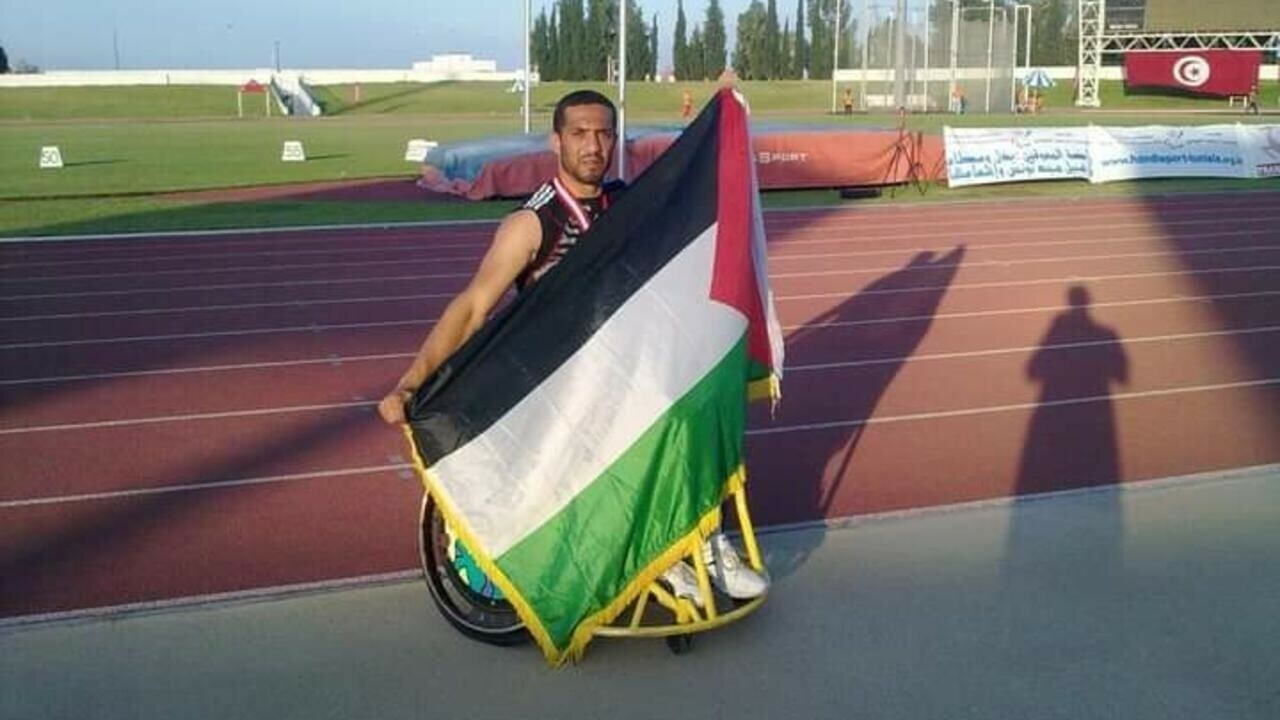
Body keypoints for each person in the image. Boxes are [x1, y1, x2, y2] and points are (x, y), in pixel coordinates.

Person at [378, 89, 767, 605]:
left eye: (604, 134)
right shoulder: (532, 224)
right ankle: (662, 551)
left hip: (626, 368)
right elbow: (473, 306)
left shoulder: (628, 205)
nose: (593, 146)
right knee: (659, 415)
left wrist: (724, 124)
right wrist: (411, 382)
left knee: (697, 399)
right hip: (561, 387)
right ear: (556, 141)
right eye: (580, 134)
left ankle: (701, 536)